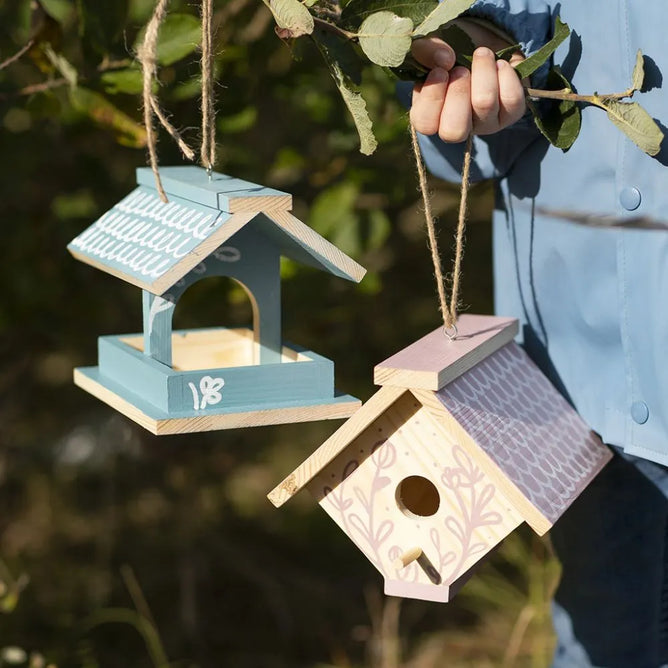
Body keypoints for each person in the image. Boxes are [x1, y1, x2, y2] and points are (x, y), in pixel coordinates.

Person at [407, 2, 668, 666]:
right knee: (604, 637)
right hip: (581, 384)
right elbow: (477, 43)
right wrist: (465, 68)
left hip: (583, 380)